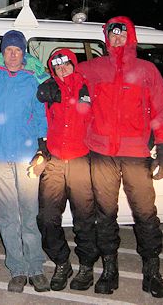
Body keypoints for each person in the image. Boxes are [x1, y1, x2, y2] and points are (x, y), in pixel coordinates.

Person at [78, 16, 163, 298]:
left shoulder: (147, 71)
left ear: (131, 38)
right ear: (106, 40)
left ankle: (152, 274)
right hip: (102, 152)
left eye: (122, 35)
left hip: (136, 153)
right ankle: (110, 271)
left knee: (145, 214)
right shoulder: (94, 68)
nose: (117, 40)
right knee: (105, 215)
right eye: (112, 36)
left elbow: (161, 111)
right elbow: (63, 73)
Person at [0, 30, 51, 293]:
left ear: (24, 53)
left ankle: (36, 267)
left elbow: (41, 112)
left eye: (18, 50)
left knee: (29, 213)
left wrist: (43, 147)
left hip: (27, 155)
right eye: (8, 50)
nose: (13, 55)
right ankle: (17, 269)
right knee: (8, 214)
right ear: (2, 52)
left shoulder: (32, 78)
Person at [35, 48, 98, 291]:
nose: (62, 68)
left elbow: (101, 119)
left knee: (84, 218)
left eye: (66, 63)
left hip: (82, 160)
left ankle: (86, 266)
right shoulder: (50, 89)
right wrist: (41, 149)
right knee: (47, 218)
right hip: (55, 161)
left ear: (73, 63)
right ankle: (62, 262)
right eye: (57, 65)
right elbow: (39, 121)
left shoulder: (88, 87)